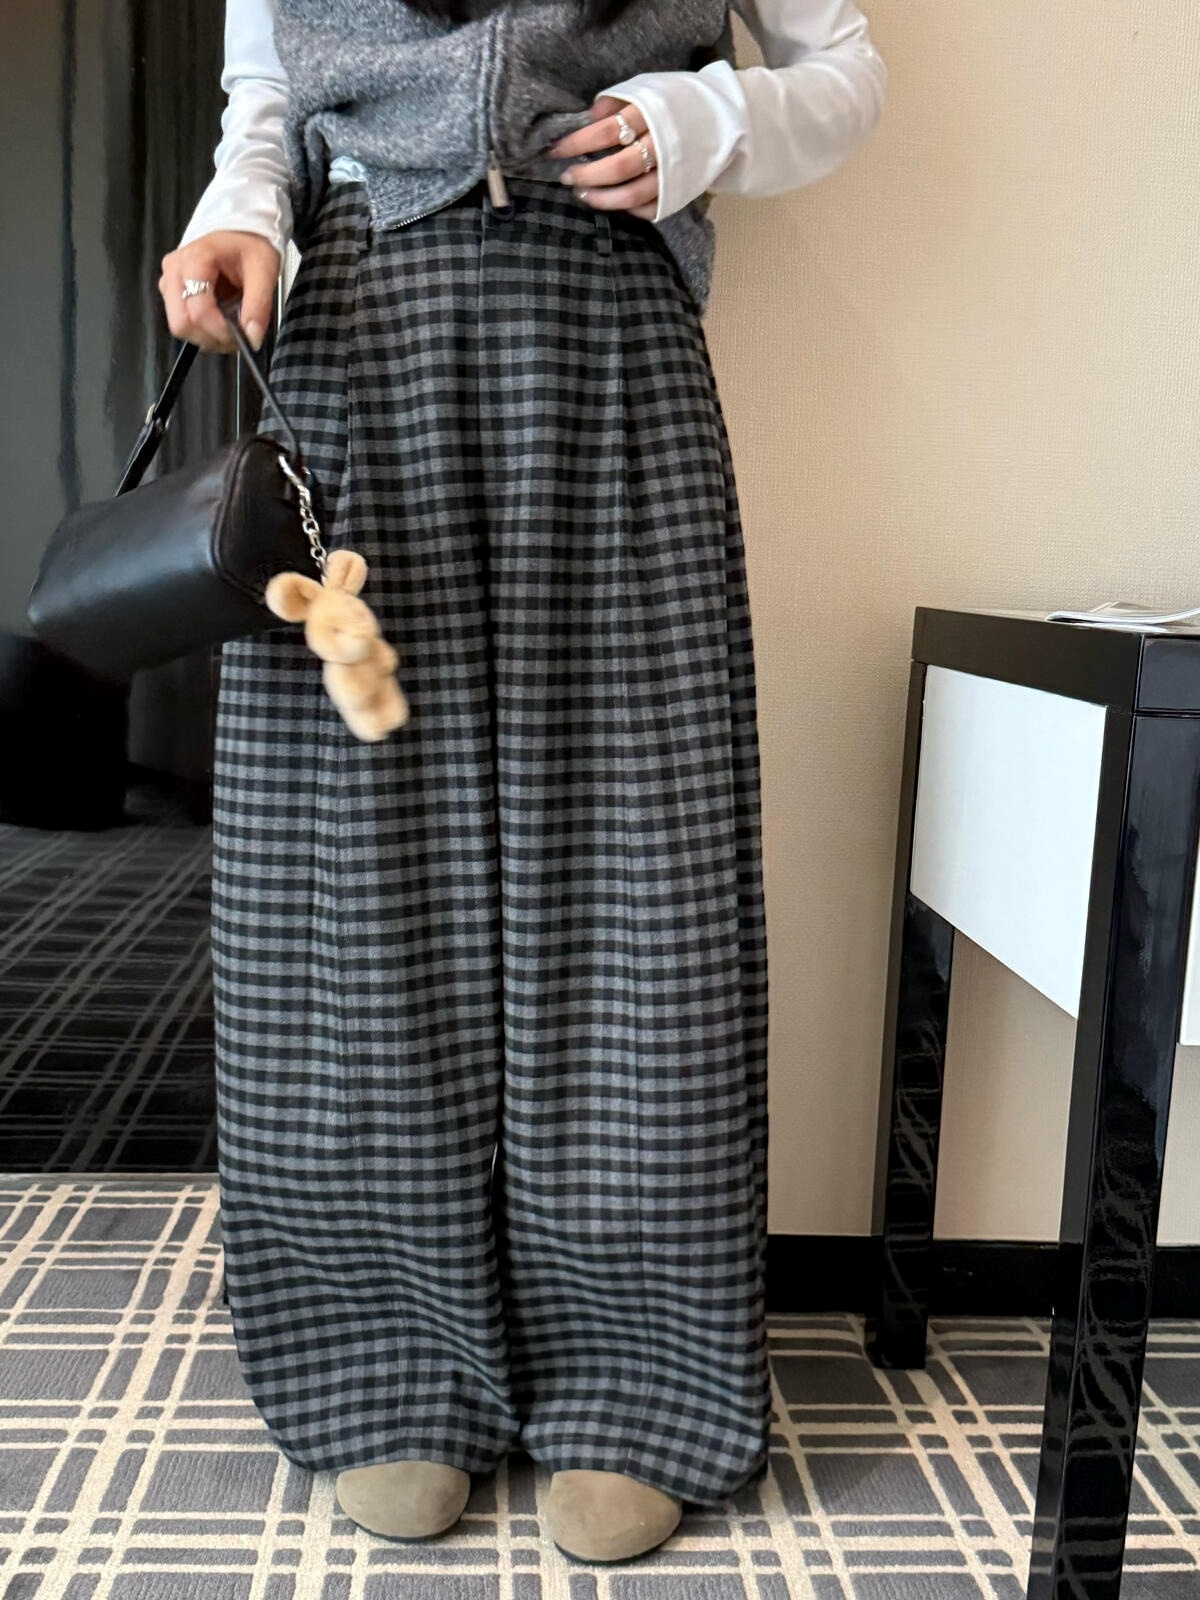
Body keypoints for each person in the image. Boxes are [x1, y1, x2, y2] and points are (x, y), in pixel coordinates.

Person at [158, 0, 885, 1564]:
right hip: (356, 337)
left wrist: (709, 125)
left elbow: (847, 69)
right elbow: (267, 93)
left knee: (636, 873)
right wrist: (240, 219)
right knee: (353, 885)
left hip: (605, 324)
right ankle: (388, 1369)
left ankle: (634, 1384)